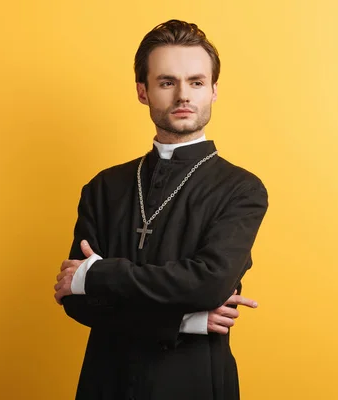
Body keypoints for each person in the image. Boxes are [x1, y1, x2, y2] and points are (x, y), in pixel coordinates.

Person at [53, 19, 269, 400]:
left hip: (195, 382)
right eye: (167, 82)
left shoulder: (242, 189)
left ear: (214, 91)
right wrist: (187, 320)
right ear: (143, 91)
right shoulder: (105, 186)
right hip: (106, 382)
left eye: (197, 82)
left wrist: (98, 274)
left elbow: (209, 283)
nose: (183, 95)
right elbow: (77, 301)